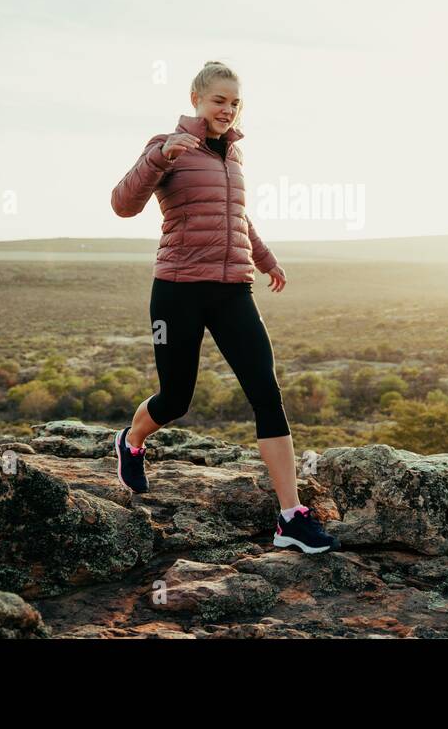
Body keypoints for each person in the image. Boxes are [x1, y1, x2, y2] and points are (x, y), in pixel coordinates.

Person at [109, 61, 339, 555]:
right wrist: (158, 158)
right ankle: (131, 441)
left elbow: (236, 216)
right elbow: (122, 204)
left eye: (235, 102)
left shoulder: (233, 155)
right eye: (219, 100)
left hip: (234, 289)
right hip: (177, 290)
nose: (227, 109)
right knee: (176, 399)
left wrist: (266, 259)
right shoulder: (166, 145)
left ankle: (290, 516)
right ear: (196, 98)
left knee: (266, 393)